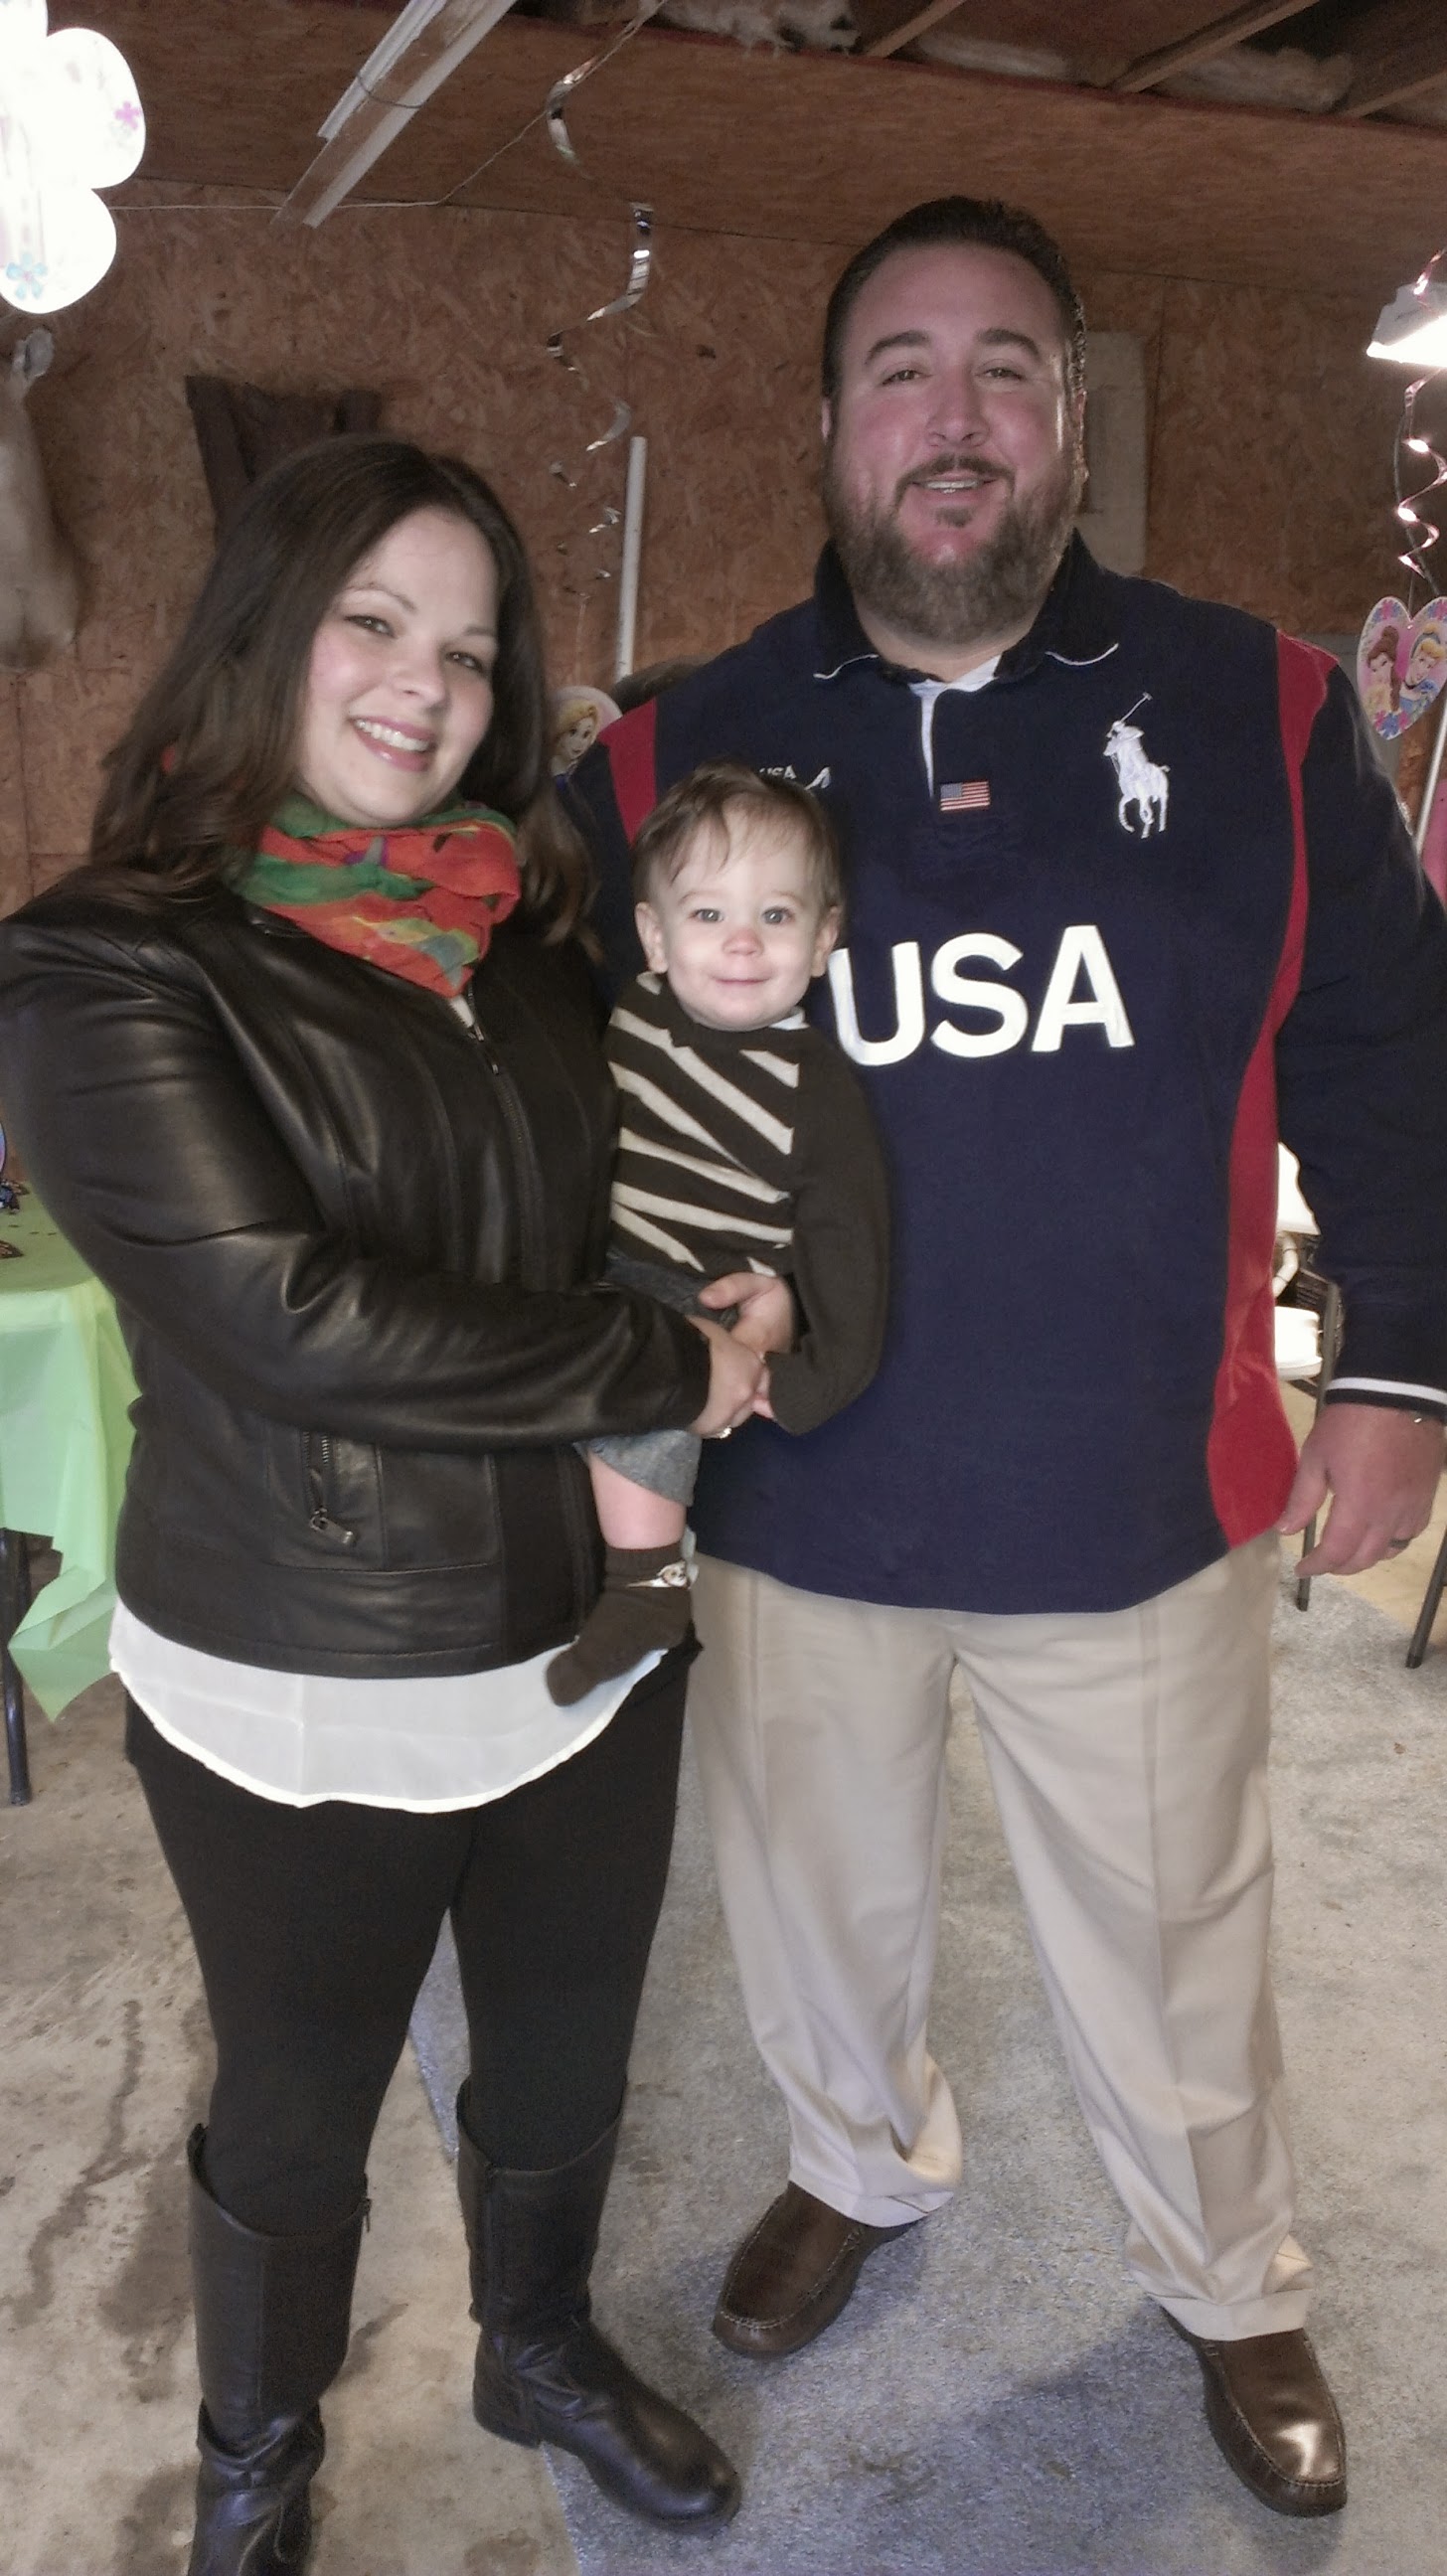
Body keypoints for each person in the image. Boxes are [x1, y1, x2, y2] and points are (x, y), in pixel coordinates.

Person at [565, 197, 1447, 2519]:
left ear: (1067, 417)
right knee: (814, 1905)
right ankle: (857, 2165)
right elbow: (533, 1093)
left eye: (1004, 369)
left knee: (1177, 1938)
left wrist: (1402, 1364)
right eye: (900, 370)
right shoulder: (671, 758)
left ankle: (1232, 2275)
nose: (952, 418)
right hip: (797, 1499)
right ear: (830, 427)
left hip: (1132, 1492)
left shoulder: (1259, 711)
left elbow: (1387, 1055)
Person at [0, 436, 766, 2573]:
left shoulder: (522, 938)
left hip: (589, 1637)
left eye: (466, 643)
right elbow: (288, 1316)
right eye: (371, 623)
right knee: (304, 2091)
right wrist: (647, 1368)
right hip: (300, 1663)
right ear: (265, 629)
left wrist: (749, 1267)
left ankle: (529, 2342)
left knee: (559, 2048)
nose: (422, 686)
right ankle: (257, 2443)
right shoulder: (102, 967)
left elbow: (646, 1176)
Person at [546, 757, 889, 1704]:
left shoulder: (811, 1083)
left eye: (775, 917)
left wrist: (810, 1379)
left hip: (687, 1281)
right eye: (707, 915)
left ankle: (646, 1582)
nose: (741, 943)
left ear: (823, 940)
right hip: (586, 1254)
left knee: (649, 1370)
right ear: (653, 935)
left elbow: (849, 1245)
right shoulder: (633, 1013)